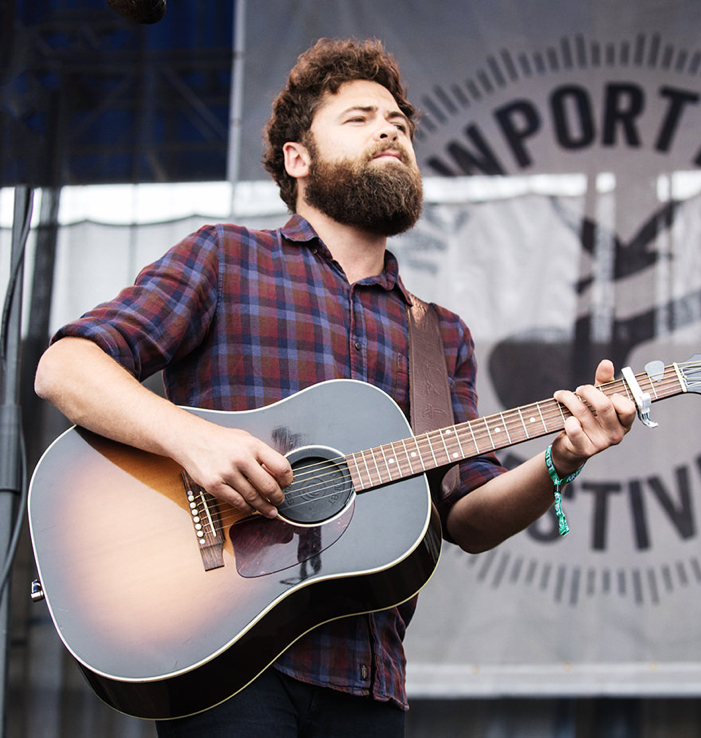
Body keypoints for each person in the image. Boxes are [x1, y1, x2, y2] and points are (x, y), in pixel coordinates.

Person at [34, 38, 636, 738]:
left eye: (399, 124)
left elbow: (466, 514)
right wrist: (191, 440)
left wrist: (564, 460)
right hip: (227, 653)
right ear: (299, 159)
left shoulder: (438, 336)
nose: (389, 129)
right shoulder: (226, 259)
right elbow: (67, 367)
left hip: (367, 679)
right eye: (359, 118)